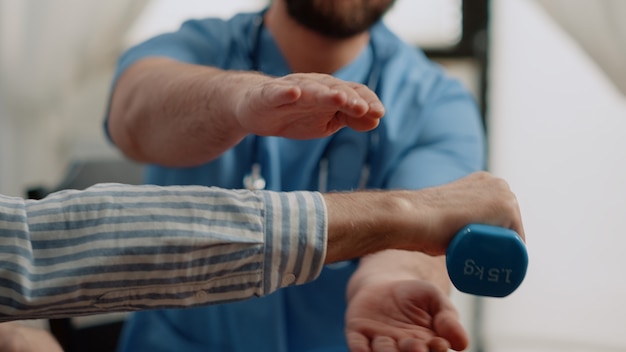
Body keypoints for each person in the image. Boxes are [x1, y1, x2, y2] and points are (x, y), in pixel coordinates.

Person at [106, 1, 493, 351]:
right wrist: (238, 99)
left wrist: (391, 281)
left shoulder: (438, 104)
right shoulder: (197, 46)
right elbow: (131, 115)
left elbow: (419, 237)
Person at [0, 173, 522, 351]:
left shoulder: (432, 96)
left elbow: (442, 204)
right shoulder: (197, 50)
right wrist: (400, 213)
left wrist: (392, 270)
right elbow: (24, 248)